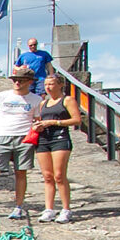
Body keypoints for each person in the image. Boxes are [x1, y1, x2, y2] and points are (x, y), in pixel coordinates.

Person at [0, 66, 39, 218]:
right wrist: (1, 129)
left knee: (20, 172)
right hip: (3, 137)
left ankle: (18, 207)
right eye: (15, 80)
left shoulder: (36, 100)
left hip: (24, 139)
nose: (17, 83)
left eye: (21, 80)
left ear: (29, 82)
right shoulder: (1, 96)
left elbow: (37, 119)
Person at [34, 71, 78, 222]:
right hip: (43, 139)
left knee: (59, 175)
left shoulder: (67, 100)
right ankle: (49, 209)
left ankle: (66, 209)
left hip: (60, 138)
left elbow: (76, 120)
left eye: (51, 84)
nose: (48, 87)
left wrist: (55, 122)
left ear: (60, 85)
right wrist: (38, 126)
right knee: (47, 176)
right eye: (46, 84)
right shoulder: (43, 103)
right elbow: (40, 119)